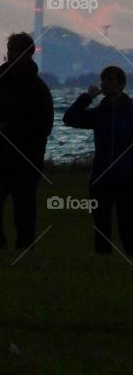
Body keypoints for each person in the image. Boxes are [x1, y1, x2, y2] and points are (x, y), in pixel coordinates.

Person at [0, 32, 54, 251]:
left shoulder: (39, 90)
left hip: (26, 161)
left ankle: (25, 251)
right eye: (10, 49)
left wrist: (7, 129)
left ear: (29, 54)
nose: (11, 54)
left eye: (16, 50)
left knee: (24, 212)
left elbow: (44, 126)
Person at [63, 65, 133, 255]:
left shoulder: (130, 111)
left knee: (127, 224)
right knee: (101, 224)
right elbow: (69, 118)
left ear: (121, 84)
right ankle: (103, 261)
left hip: (127, 178)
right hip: (100, 177)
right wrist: (86, 98)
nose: (107, 83)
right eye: (104, 79)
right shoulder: (99, 113)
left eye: (111, 79)